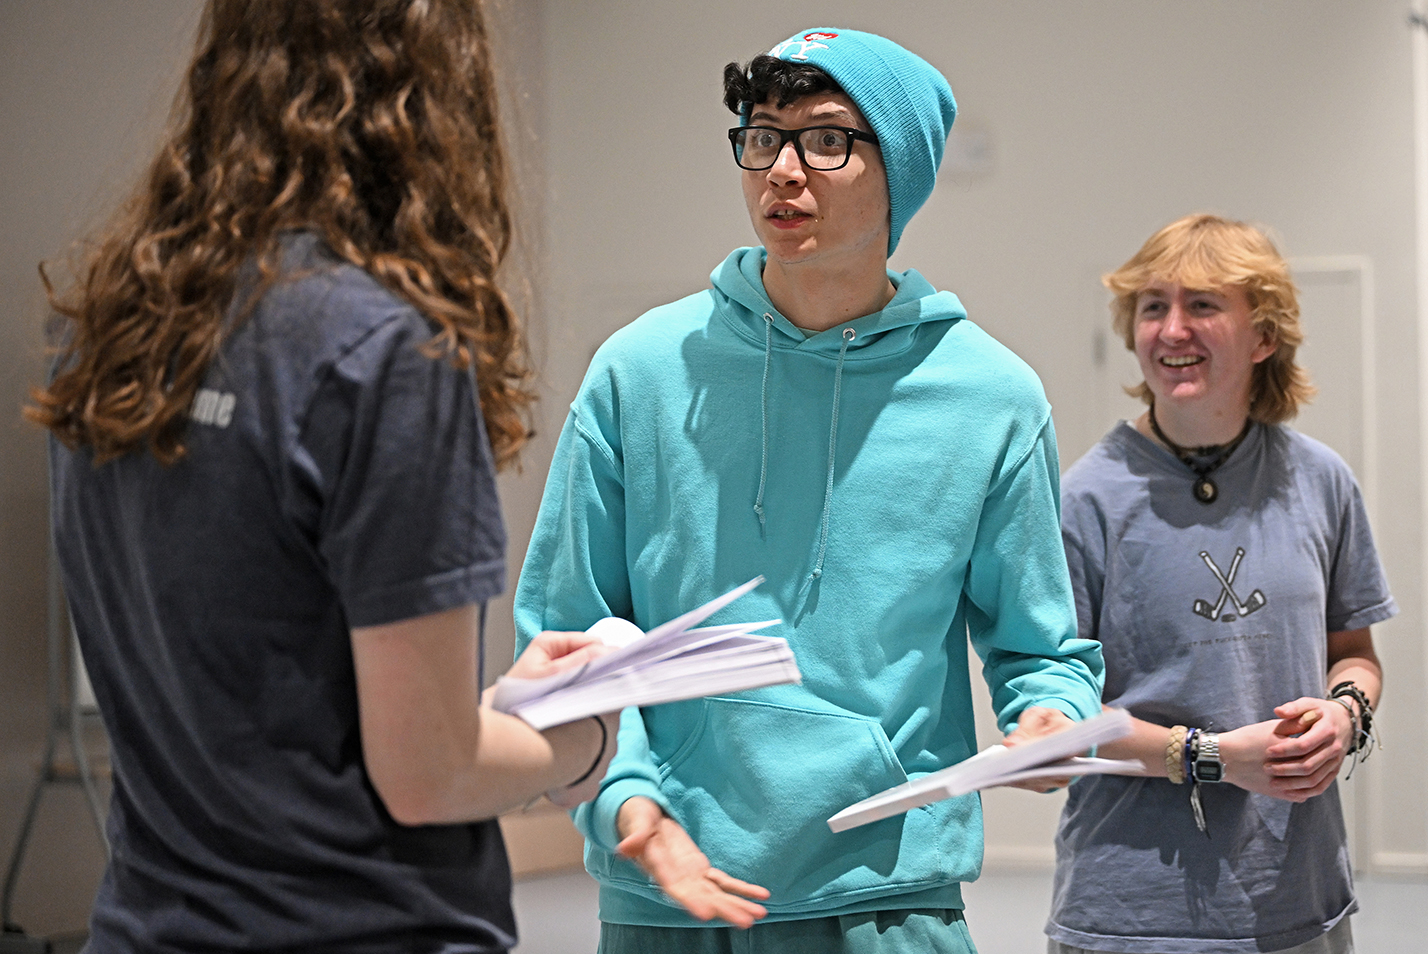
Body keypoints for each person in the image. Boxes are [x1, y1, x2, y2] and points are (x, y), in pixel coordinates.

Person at [26, 2, 617, 951]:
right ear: (435, 87)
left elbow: (272, 704)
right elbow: (427, 775)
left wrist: (500, 709)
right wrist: (580, 738)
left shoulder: (110, 332)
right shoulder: (384, 350)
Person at [514, 27, 1104, 954]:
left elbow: (1043, 651)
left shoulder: (992, 397)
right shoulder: (638, 372)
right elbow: (561, 633)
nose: (783, 170)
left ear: (900, 169)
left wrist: (1052, 720)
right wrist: (625, 799)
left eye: (827, 139)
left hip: (887, 898)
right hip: (667, 886)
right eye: (762, 135)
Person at [1047, 214, 1393, 954]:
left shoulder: (1321, 480)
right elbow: (1061, 719)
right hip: (1130, 913)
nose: (1172, 330)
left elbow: (1355, 652)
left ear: (1264, 335)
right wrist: (1210, 755)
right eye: (1152, 306)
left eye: (1203, 305)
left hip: (1297, 900)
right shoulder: (1087, 498)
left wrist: (1346, 715)